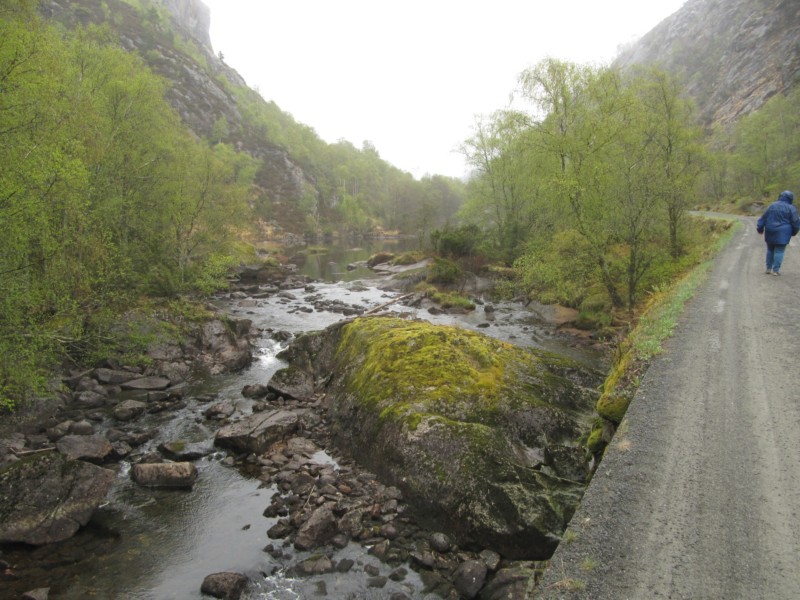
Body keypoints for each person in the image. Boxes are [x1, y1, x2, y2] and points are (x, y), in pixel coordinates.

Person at [756, 190, 800, 275]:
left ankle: (768, 268)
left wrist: (760, 229)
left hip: (770, 230)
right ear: (790, 198)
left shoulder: (772, 205)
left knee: (770, 249)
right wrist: (794, 232)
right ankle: (776, 271)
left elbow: (763, 218)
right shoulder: (791, 208)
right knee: (779, 251)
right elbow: (796, 222)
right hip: (783, 232)